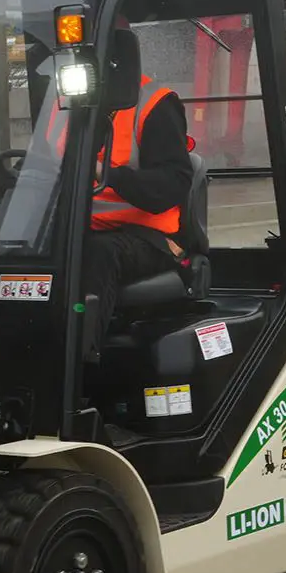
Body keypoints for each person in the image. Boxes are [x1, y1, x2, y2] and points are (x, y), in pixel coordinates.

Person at [81, 29, 192, 354]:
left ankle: (77, 374)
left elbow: (172, 185)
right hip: (76, 230)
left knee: (94, 254)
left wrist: (109, 174)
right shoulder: (68, 104)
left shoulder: (154, 104)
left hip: (145, 238)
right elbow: (46, 164)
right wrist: (0, 183)